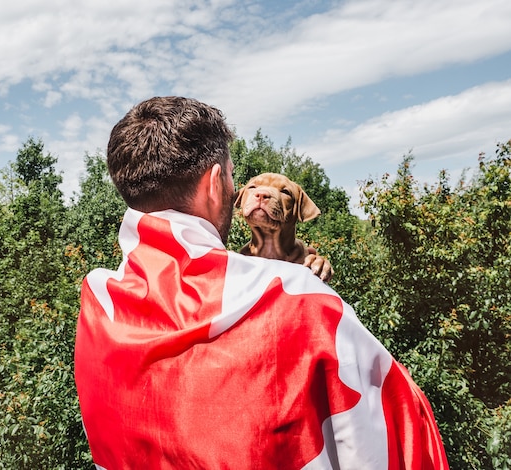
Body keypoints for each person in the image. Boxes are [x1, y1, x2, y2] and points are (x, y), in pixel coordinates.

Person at [74, 96, 449, 469]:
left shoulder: (96, 307)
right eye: (238, 178)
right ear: (216, 182)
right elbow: (404, 435)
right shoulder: (305, 303)